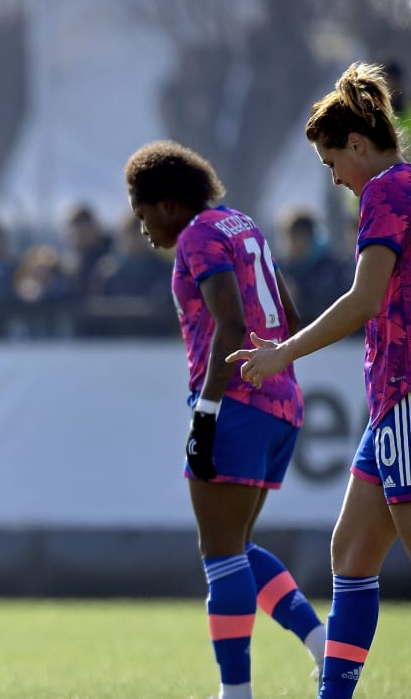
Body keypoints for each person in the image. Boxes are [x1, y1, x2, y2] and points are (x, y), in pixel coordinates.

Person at [227, 62, 411, 699]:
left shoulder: (388, 189)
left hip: (407, 398)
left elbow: (363, 299)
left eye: (334, 162)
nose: (335, 179)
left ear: (357, 144)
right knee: (351, 554)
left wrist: (283, 353)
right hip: (390, 404)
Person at [124, 140, 326, 699]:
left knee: (219, 555)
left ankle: (235, 692)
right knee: (235, 547)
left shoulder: (196, 235)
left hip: (236, 403)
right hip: (281, 401)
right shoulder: (241, 223)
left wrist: (208, 411)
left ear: (167, 205)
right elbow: (290, 312)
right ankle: (320, 644)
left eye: (143, 216)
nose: (143, 231)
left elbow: (230, 327)